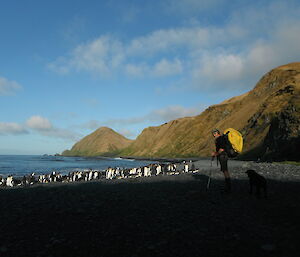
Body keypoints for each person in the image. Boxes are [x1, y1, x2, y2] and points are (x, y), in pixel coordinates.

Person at [211, 128, 231, 193]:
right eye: (213, 133)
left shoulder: (220, 139)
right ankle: (228, 186)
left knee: (225, 170)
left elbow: (222, 149)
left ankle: (228, 187)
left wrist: (215, 154)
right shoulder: (219, 139)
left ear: (218, 133)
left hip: (223, 156)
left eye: (215, 133)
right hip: (223, 156)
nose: (214, 134)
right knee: (225, 170)